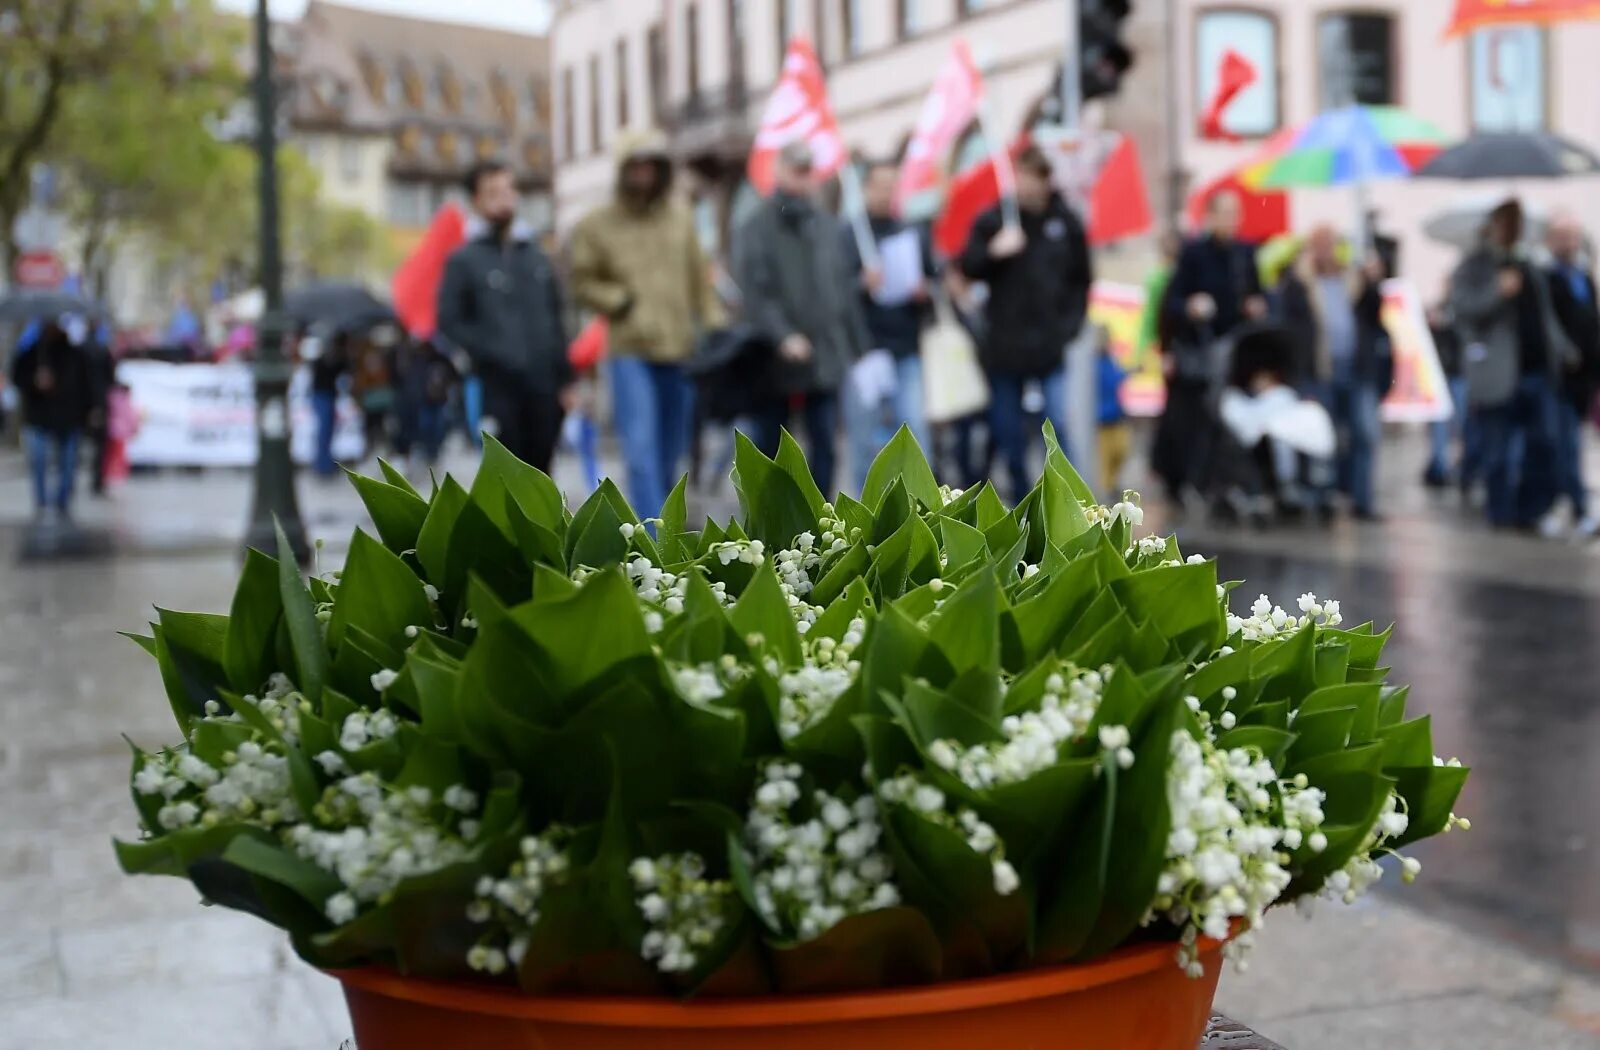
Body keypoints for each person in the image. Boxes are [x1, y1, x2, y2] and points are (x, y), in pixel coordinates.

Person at [569, 131, 724, 516]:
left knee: (672, 452)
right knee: (639, 450)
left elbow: (698, 280)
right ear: (623, 169)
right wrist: (617, 301)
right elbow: (581, 281)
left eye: (650, 164)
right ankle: (653, 546)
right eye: (635, 164)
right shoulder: (597, 225)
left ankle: (666, 528)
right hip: (630, 349)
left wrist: (716, 325)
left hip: (679, 348)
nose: (643, 173)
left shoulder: (680, 219)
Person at [732, 141, 869, 494]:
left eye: (807, 171)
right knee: (771, 449)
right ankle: (769, 525)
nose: (802, 178)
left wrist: (858, 347)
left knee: (824, 445)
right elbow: (756, 293)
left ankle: (819, 522)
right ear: (778, 171)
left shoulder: (827, 226)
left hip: (824, 356)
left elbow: (841, 290)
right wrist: (783, 335)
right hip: (774, 362)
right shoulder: (756, 227)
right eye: (795, 169)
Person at [958, 144, 1092, 501]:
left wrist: (1071, 326)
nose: (1028, 188)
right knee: (1007, 430)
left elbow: (1082, 279)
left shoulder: (1065, 222)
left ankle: (1068, 497)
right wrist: (994, 252)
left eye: (1036, 180)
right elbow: (967, 265)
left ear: (1047, 181)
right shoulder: (995, 220)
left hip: (1049, 344)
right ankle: (1019, 493)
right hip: (1005, 345)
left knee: (1057, 424)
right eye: (1023, 179)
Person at [438, 160, 575, 472]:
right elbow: (450, 321)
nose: (504, 198)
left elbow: (555, 318)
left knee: (542, 474)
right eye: (493, 192)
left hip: (544, 386)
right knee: (506, 475)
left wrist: (566, 379)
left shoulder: (536, 256)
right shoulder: (464, 261)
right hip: (496, 386)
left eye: (509, 189)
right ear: (476, 200)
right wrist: (492, 352)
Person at [1450, 199, 1576, 530]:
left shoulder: (1528, 265)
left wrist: (1563, 350)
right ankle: (1500, 512)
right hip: (1497, 374)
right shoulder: (1476, 265)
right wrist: (1497, 290)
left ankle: (1528, 510)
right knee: (1498, 450)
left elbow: (1544, 316)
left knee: (1544, 445)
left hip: (1535, 372)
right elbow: (1462, 310)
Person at [1155, 190, 1267, 508]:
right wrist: (1191, 307)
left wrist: (1255, 305)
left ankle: (1225, 482)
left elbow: (1258, 296)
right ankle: (1192, 481)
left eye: (1236, 214)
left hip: (1237, 352)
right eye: (1225, 213)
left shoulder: (1245, 254)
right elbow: (1172, 302)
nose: (1231, 221)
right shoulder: (1194, 253)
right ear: (1211, 216)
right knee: (1197, 419)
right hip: (1200, 352)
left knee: (1230, 418)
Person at [1276, 225, 1389, 519]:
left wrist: (1374, 281)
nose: (1326, 251)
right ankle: (1320, 497)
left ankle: (1361, 499)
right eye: (1320, 244)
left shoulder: (1353, 278)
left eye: (1330, 244)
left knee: (1364, 434)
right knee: (1322, 437)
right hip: (1319, 369)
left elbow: (1374, 315)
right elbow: (1290, 326)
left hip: (1356, 367)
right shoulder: (1299, 282)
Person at [841, 158, 934, 492]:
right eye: (879, 186)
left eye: (891, 186)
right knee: (865, 441)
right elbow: (835, 294)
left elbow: (932, 281)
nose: (886, 194)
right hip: (865, 352)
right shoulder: (849, 234)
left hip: (905, 346)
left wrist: (924, 292)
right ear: (865, 189)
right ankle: (862, 513)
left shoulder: (908, 230)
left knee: (915, 434)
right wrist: (861, 285)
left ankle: (921, 505)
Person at [1543, 213, 1600, 538]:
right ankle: (1573, 507)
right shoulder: (1547, 279)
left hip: (1583, 381)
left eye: (1572, 236)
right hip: (1560, 377)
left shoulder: (1583, 277)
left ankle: (1574, 506)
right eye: (1562, 236)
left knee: (1573, 444)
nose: (1568, 243)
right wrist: (1568, 355)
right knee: (1563, 446)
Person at [10, 318, 97, 522]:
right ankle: (41, 501)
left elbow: (86, 384)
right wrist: (34, 380)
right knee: (38, 459)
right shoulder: (32, 354)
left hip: (69, 416)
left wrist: (91, 408)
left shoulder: (75, 354)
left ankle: (63, 501)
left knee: (68, 462)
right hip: (40, 416)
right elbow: (18, 377)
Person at [1423, 288, 1468, 489]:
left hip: (1457, 374)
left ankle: (1455, 466)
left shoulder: (1463, 311)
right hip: (1442, 375)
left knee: (1458, 424)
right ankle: (1439, 467)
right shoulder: (1439, 309)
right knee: (1440, 425)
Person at [1095, 327, 1130, 502]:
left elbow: (1118, 377)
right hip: (1101, 421)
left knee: (1121, 451)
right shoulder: (1092, 365)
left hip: (1117, 417)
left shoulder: (1111, 361)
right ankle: (1105, 492)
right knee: (1104, 459)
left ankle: (1112, 484)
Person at [308, 331, 348, 478]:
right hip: (322, 396)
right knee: (324, 432)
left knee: (327, 431)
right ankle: (322, 465)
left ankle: (325, 464)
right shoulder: (320, 361)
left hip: (327, 397)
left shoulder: (333, 361)